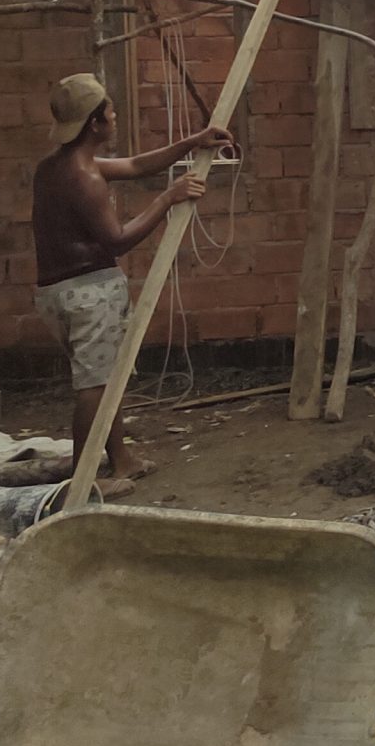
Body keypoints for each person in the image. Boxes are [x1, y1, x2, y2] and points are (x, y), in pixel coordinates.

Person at [32, 75, 229, 485]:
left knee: (105, 379)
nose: (116, 117)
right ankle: (85, 478)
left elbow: (138, 165)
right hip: (88, 293)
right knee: (95, 385)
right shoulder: (84, 178)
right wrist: (168, 197)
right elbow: (118, 240)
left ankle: (121, 459)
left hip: (58, 293)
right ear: (94, 124)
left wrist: (193, 141)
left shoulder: (57, 166)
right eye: (110, 112)